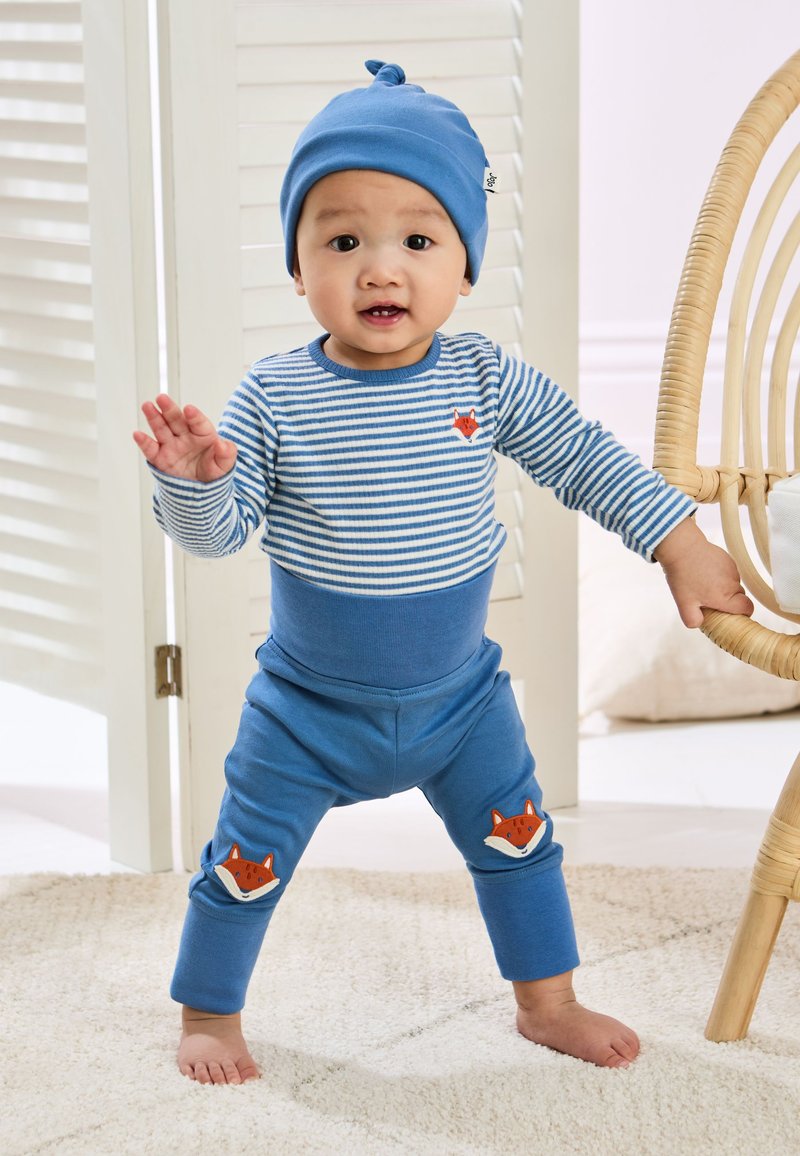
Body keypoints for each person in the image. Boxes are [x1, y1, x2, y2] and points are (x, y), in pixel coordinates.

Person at [133, 60, 754, 1085]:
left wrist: (677, 541)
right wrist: (194, 483)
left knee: (520, 843)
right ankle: (209, 1011)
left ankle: (548, 1001)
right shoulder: (273, 397)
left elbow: (584, 458)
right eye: (342, 241)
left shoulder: (484, 379)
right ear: (297, 267)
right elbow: (219, 535)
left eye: (417, 241)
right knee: (243, 862)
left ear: (465, 267)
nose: (380, 270)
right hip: (305, 711)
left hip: (461, 706)